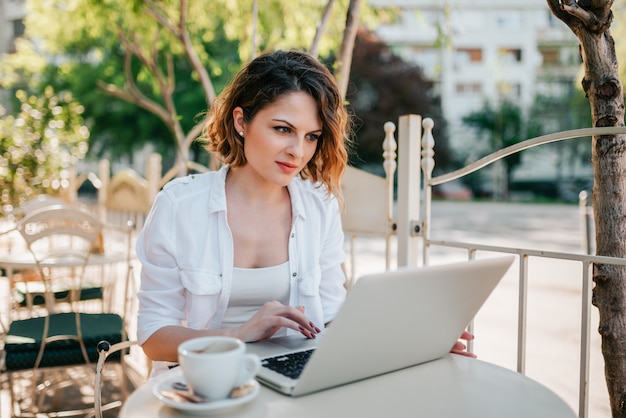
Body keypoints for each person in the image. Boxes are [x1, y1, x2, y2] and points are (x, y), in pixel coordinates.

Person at [136, 50, 474, 377]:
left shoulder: (319, 205)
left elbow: (331, 318)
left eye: (311, 136)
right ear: (241, 121)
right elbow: (153, 338)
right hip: (202, 384)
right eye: (283, 129)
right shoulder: (179, 206)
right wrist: (239, 334)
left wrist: (411, 341)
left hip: (298, 378)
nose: (298, 152)